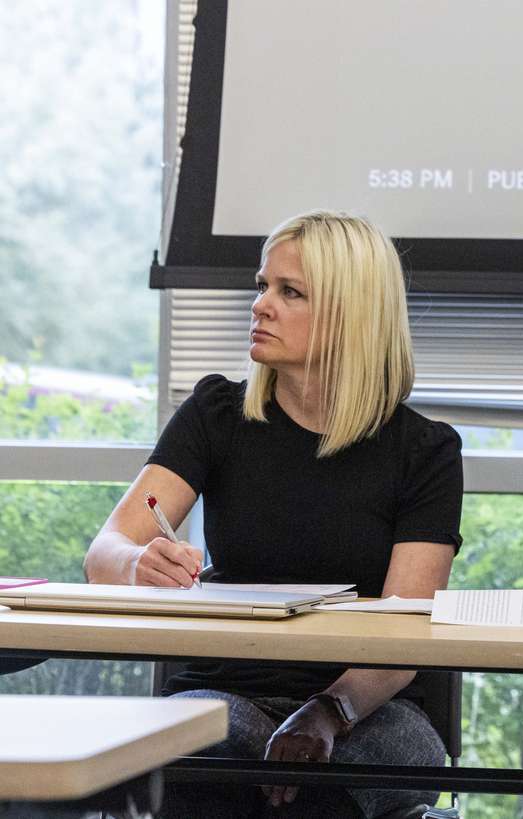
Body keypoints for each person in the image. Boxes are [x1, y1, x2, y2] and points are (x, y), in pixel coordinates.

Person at [84, 210, 462, 819]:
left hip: (365, 705)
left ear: (350, 314)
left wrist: (325, 713)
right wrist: (138, 564)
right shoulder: (216, 413)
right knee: (201, 779)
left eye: (289, 292)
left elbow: (402, 635)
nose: (259, 305)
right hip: (224, 690)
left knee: (319, 799)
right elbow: (104, 553)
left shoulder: (426, 452)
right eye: (262, 286)